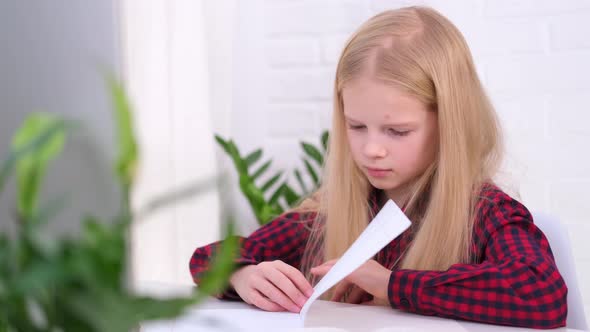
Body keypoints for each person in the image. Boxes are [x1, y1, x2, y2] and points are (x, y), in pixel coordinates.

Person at [189, 6, 567, 329]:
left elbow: (540, 292)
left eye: (397, 131)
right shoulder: (335, 212)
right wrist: (242, 274)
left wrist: (391, 285)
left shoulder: (486, 213)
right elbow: (207, 257)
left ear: (449, 124)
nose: (371, 149)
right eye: (356, 126)